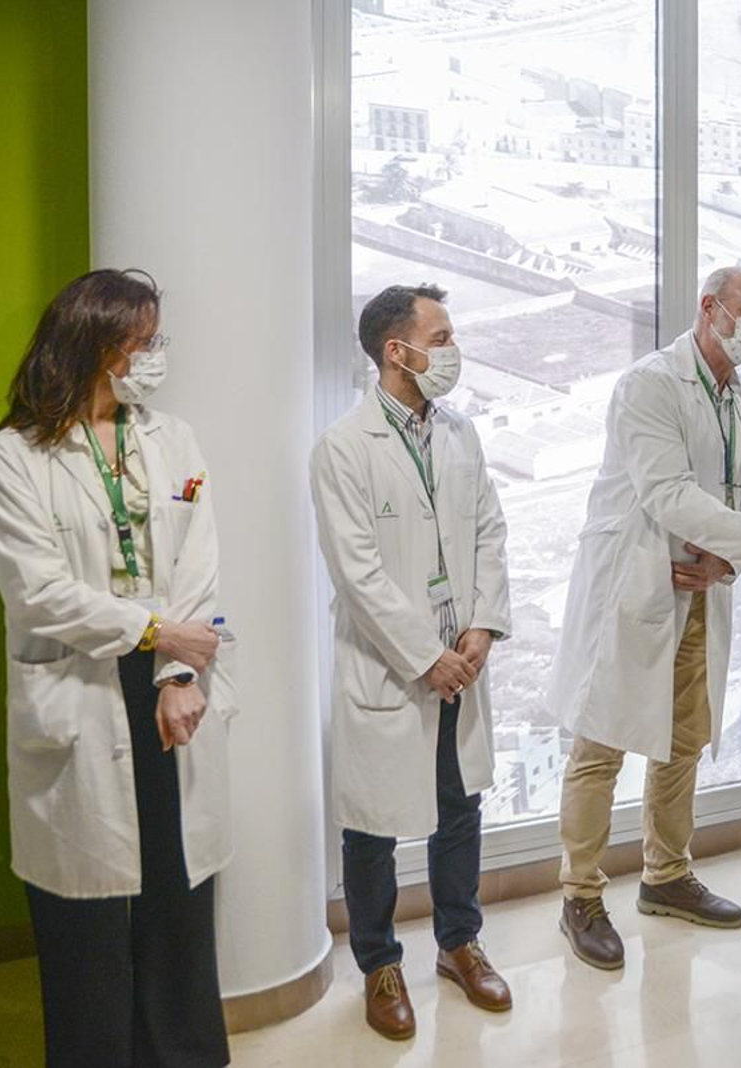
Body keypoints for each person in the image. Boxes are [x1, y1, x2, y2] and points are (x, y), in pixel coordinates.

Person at [0, 269, 233, 1068]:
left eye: (156, 339)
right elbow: (37, 592)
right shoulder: (16, 454)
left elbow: (198, 560)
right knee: (84, 921)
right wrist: (153, 631)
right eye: (140, 342)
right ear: (90, 346)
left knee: (177, 894)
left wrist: (178, 673)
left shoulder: (172, 438)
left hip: (170, 685)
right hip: (81, 688)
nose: (154, 356)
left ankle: (183, 1054)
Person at [549, 267, 741, 971]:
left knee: (685, 739)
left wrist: (728, 561)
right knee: (601, 745)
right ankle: (580, 895)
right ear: (710, 308)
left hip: (699, 589)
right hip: (635, 587)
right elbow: (666, 492)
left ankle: (666, 874)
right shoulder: (649, 385)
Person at [310, 284, 514, 1041]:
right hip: (392, 668)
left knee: (459, 808)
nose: (453, 351)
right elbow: (356, 573)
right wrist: (426, 657)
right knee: (371, 828)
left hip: (461, 660)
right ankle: (379, 965)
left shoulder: (460, 433)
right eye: (442, 337)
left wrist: (483, 627)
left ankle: (460, 944)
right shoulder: (342, 448)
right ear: (397, 352)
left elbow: (489, 530)